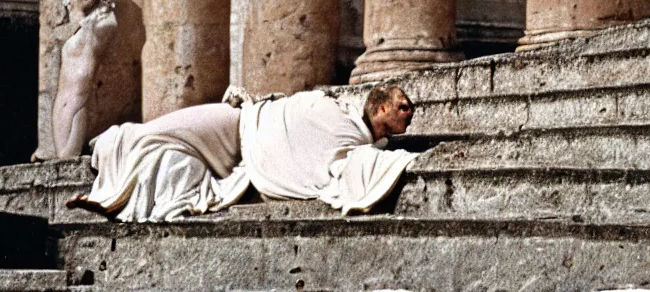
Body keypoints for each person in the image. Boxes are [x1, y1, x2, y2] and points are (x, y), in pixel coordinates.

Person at [67, 85, 418, 222]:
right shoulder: (344, 114)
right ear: (382, 108)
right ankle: (108, 154)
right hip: (237, 123)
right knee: (151, 133)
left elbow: (353, 169)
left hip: (241, 152)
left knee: (168, 156)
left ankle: (115, 198)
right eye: (402, 104)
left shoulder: (359, 146)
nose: (409, 109)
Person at [51, 0, 118, 158]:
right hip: (61, 100)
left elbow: (109, 21)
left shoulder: (105, 23)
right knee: (62, 158)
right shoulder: (80, 27)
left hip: (79, 99)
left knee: (67, 157)